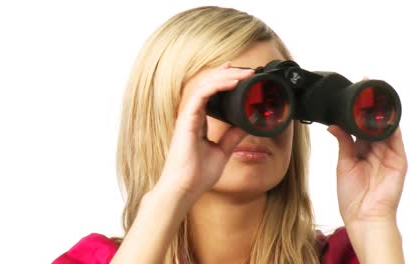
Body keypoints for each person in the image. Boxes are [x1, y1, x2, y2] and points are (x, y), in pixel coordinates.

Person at [53, 6, 407, 264]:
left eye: (274, 98)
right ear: (162, 117)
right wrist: (170, 195)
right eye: (226, 100)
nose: (255, 122)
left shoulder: (351, 256)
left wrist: (374, 223)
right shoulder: (94, 260)